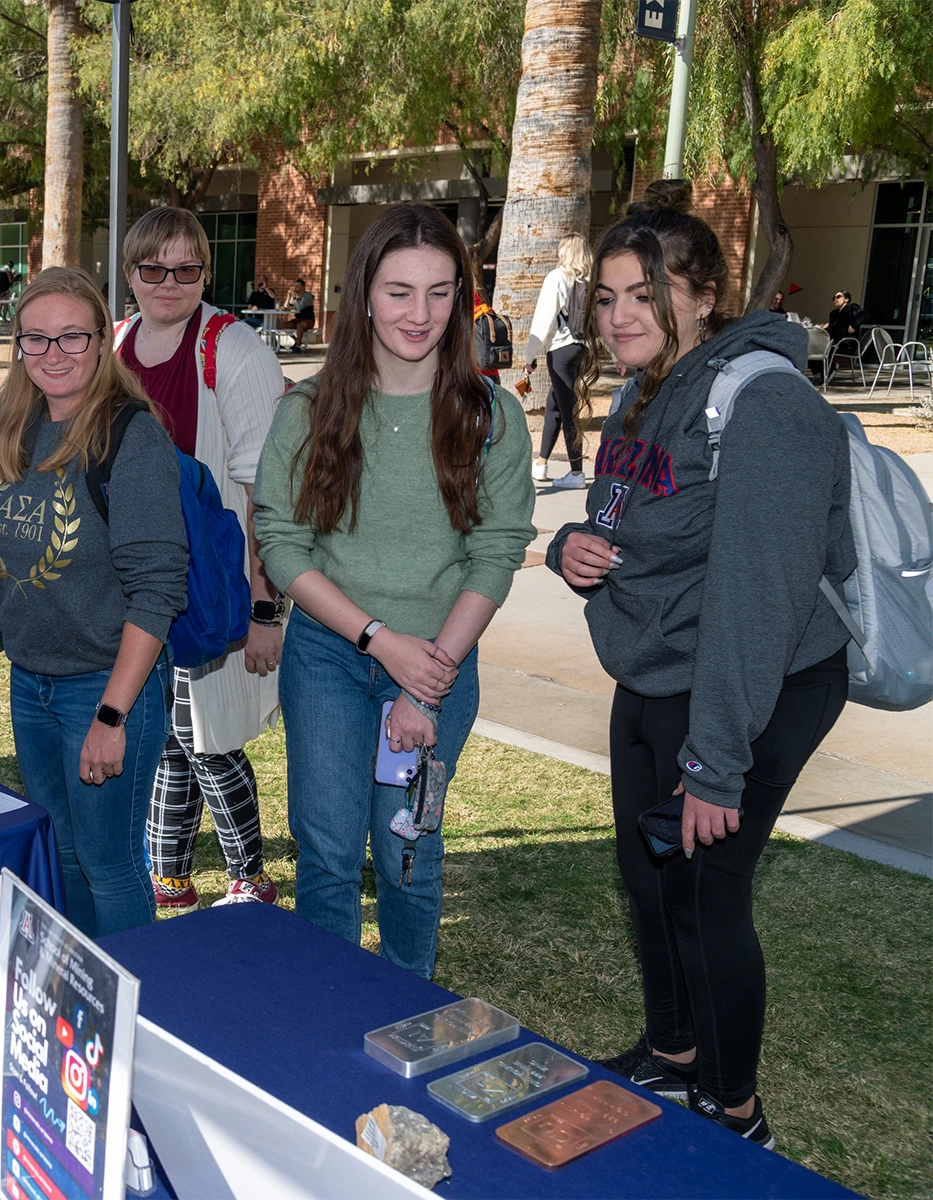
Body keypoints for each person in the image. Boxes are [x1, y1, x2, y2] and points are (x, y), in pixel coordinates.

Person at [548, 181, 853, 1149]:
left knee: (704, 892)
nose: (619, 316)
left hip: (753, 680)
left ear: (706, 295)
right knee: (646, 880)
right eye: (606, 297)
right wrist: (570, 549)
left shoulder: (765, 402)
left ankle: (735, 1110)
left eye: (646, 294)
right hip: (657, 668)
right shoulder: (641, 390)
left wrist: (717, 763)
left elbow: (760, 599)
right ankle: (674, 1050)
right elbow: (620, 516)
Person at [252, 203, 536, 978]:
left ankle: (408, 1007)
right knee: (328, 853)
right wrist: (379, 641)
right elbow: (283, 546)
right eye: (399, 291)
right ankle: (330, 1010)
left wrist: (425, 678)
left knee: (409, 850)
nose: (420, 313)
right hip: (329, 658)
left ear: (461, 300)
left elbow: (495, 555)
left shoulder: (491, 418)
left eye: (440, 292)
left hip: (442, 661)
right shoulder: (309, 410)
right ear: (365, 296)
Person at [0, 266, 187, 937]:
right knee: (62, 855)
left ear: (101, 341)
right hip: (33, 688)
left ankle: (138, 993)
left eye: (73, 337)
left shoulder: (130, 438)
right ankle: (84, 986)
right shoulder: (20, 429)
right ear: (18, 346)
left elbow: (157, 591)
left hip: (105, 688)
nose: (54, 354)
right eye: (36, 338)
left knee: (109, 866)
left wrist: (111, 715)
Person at [113, 206, 288, 910]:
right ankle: (171, 876)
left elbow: (268, 489)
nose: (169, 284)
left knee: (205, 735)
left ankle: (250, 875)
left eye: (187, 270)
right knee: (162, 734)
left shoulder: (232, 349)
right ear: (130, 273)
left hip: (212, 581)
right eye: (153, 269)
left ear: (206, 273)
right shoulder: (116, 343)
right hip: (138, 580)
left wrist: (266, 607)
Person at [525, 232, 592, 489]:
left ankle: (576, 473)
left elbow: (543, 319)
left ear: (567, 252)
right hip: (582, 350)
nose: (558, 253)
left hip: (561, 351)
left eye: (561, 249)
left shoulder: (557, 277)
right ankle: (541, 464)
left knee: (568, 411)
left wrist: (530, 355)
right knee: (555, 403)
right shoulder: (590, 281)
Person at [283, 278, 315, 348]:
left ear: (303, 287)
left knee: (299, 326)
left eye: (297, 286)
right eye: (294, 286)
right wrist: (289, 296)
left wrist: (294, 297)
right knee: (284, 325)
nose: (295, 288)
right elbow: (286, 307)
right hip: (298, 319)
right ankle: (297, 341)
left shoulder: (307, 296)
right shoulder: (295, 296)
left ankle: (297, 345)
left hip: (308, 319)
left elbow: (299, 308)